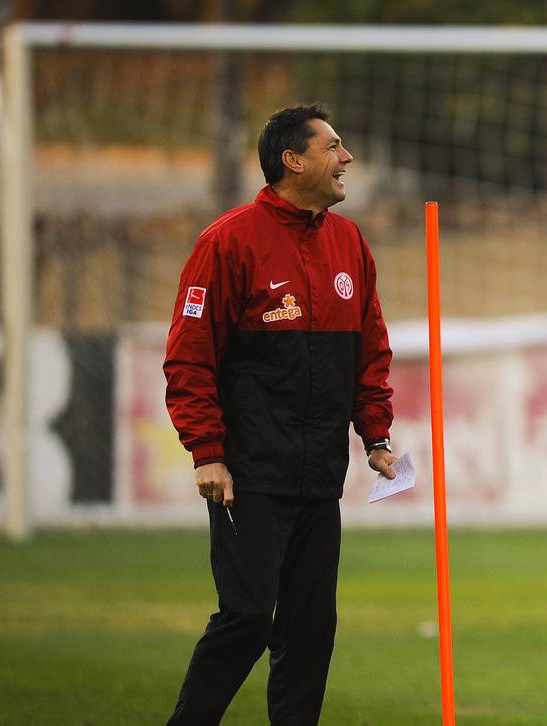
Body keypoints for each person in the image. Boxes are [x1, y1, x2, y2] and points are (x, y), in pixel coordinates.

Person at [162, 103, 397, 725]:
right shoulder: (228, 240)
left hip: (319, 475)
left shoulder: (349, 242)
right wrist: (207, 451)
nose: (346, 159)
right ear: (293, 161)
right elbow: (189, 356)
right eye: (333, 147)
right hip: (250, 474)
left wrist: (375, 433)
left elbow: (370, 349)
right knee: (244, 617)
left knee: (311, 626)